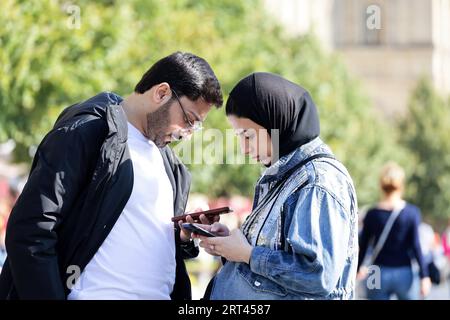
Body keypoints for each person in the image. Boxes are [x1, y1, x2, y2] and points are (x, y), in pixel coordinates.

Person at [0, 52, 223, 300]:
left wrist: (183, 235)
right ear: (161, 93)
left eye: (196, 126)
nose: (188, 134)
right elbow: (31, 230)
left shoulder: (172, 167)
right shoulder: (86, 134)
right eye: (189, 120)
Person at [194, 72, 358, 299]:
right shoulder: (285, 176)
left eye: (248, 136)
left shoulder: (317, 180)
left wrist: (248, 254)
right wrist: (231, 246)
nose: (244, 148)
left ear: (275, 124)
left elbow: (318, 274)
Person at [357, 162, 431, 300]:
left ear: (381, 185)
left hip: (376, 272)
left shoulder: (372, 214)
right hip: (404, 271)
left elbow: (364, 245)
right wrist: (424, 276)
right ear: (402, 185)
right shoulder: (411, 213)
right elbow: (416, 246)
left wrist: (357, 268)